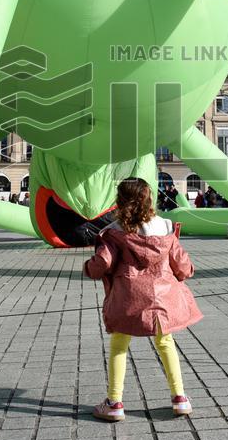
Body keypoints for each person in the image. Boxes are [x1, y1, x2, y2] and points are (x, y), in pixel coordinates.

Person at [83, 178, 202, 422]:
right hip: (162, 300)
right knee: (165, 342)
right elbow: (182, 264)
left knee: (119, 345)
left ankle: (114, 402)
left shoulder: (115, 232)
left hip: (128, 298)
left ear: (121, 201)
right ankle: (179, 397)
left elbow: (103, 263)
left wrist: (89, 268)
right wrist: (186, 271)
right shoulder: (166, 228)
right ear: (149, 200)